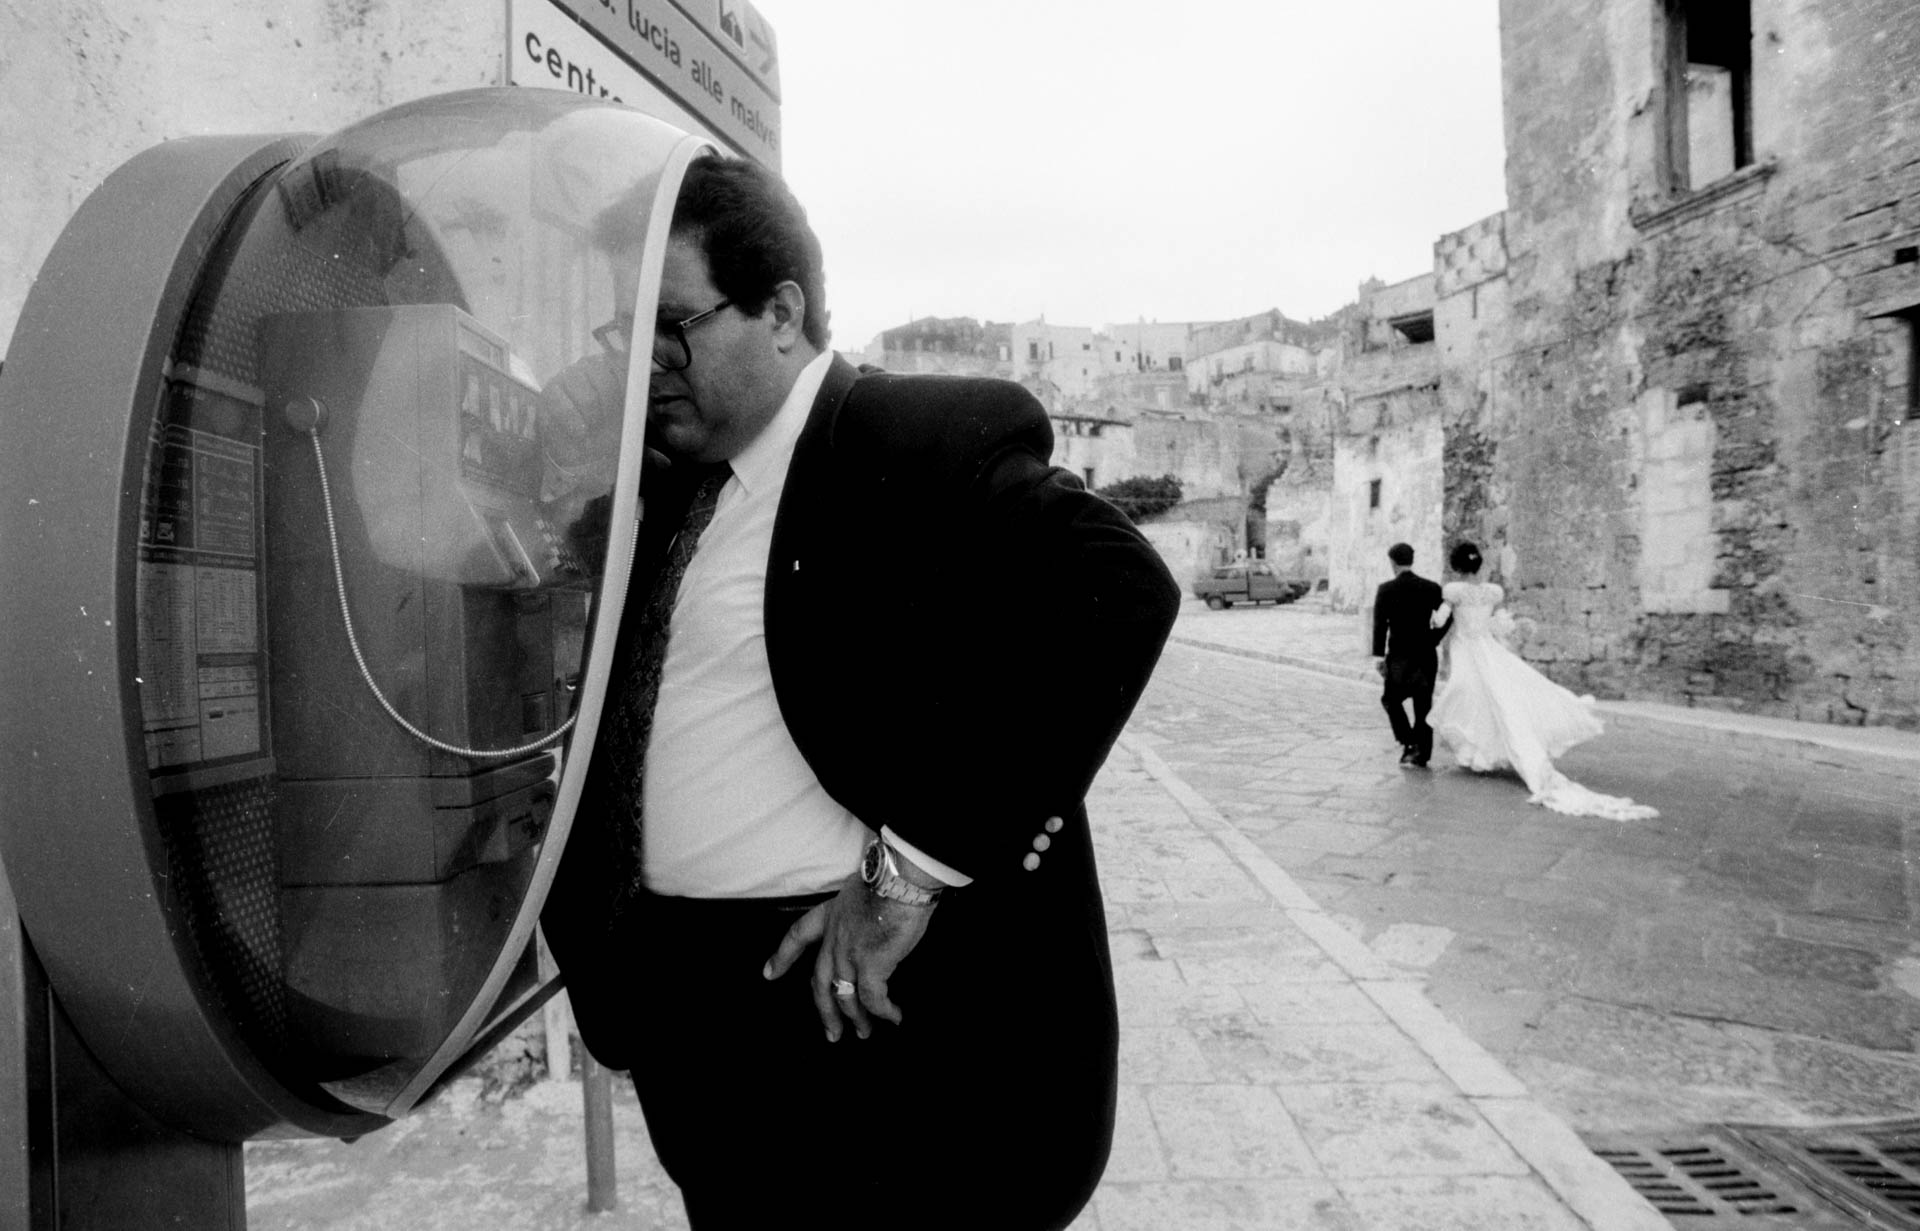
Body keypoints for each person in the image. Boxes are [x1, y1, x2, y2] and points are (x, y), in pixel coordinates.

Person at [540, 153, 1181, 1230]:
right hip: (700, 1037)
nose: (645, 365)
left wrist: (907, 875)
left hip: (866, 1034)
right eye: (624, 335)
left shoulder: (914, 440)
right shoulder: (652, 506)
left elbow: (1118, 593)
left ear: (781, 310)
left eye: (673, 327)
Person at [1430, 541, 1658, 820]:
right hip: (1488, 649)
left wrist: (1433, 618)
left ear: (1456, 566)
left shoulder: (1453, 591)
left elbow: (1440, 621)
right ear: (1478, 565)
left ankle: (1480, 753)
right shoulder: (1492, 592)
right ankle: (1484, 753)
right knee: (1499, 698)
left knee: (1469, 695)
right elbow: (1492, 624)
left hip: (1467, 649)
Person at [1371, 542, 1449, 767]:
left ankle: (1408, 741)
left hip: (1399, 656)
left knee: (1391, 699)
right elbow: (1448, 615)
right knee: (1423, 703)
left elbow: (1380, 625)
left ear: (1392, 563)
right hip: (1426, 654)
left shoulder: (1386, 589)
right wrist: (1435, 638)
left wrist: (1378, 656)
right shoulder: (1431, 587)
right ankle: (1422, 753)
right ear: (1411, 560)